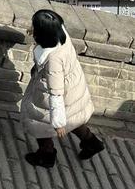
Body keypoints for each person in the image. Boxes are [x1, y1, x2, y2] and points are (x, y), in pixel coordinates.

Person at [21, 10, 104, 168]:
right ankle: (92, 143)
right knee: (73, 118)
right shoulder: (60, 34)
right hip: (73, 88)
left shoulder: (53, 60)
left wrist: (58, 123)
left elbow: (56, 94)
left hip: (56, 93)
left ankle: (46, 156)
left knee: (40, 124)